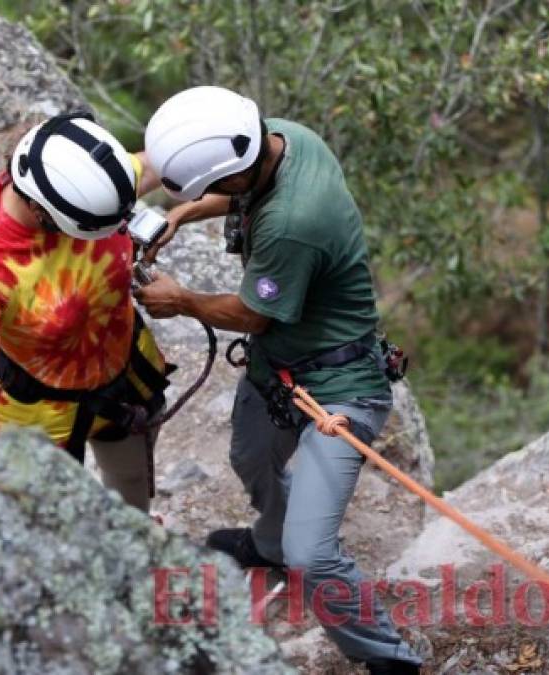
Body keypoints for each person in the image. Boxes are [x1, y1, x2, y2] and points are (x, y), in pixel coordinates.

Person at [134, 86, 422, 674]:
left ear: (236, 174)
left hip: (341, 389)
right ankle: (267, 547)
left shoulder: (294, 222)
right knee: (252, 458)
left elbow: (251, 314)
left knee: (312, 556)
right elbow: (240, 197)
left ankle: (392, 660)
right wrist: (184, 212)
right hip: (280, 370)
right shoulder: (279, 137)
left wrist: (182, 299)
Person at [0, 111, 172, 512]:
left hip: (122, 378)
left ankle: (134, 549)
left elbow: (162, 163)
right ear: (42, 212)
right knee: (36, 517)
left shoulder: (91, 181)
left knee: (130, 480)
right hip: (38, 413)